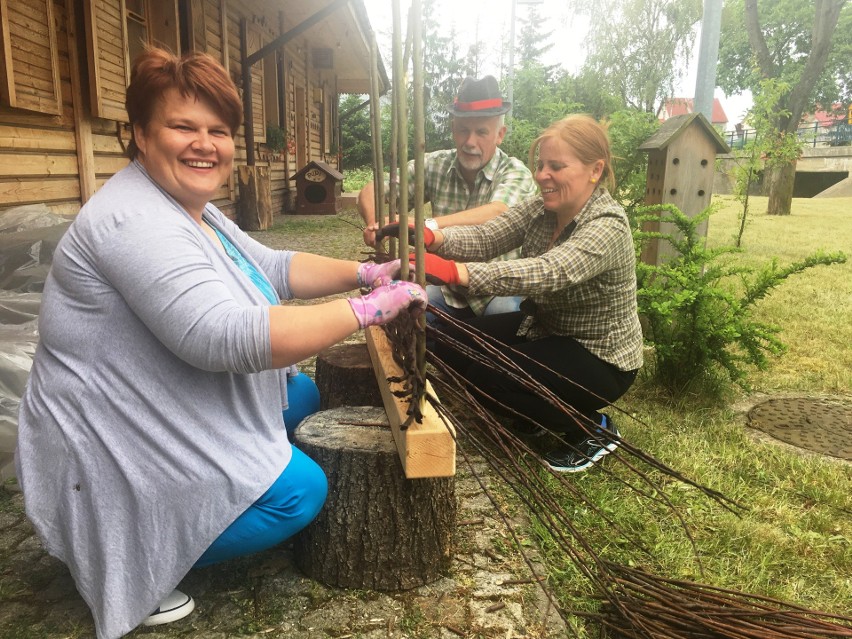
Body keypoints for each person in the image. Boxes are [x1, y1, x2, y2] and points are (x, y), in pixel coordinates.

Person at [14, 48, 425, 639]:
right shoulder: (134, 220)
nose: (204, 143)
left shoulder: (191, 207)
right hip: (111, 429)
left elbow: (274, 265)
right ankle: (124, 553)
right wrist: (363, 312)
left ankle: (220, 484)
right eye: (183, 126)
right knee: (300, 496)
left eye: (218, 131)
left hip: (151, 392)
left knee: (299, 395)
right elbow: (222, 337)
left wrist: (363, 274)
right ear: (140, 134)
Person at [385, 114, 643, 474]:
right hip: (545, 327)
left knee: (494, 379)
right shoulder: (542, 207)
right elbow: (490, 236)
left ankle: (593, 429)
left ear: (595, 170)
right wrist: (433, 237)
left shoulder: (607, 226)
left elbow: (549, 271)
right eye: (540, 165)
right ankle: (534, 410)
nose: (541, 175)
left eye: (556, 166)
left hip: (598, 354)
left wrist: (457, 272)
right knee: (449, 344)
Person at [358, 75, 538, 319]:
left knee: (504, 317)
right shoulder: (433, 165)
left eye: (481, 132)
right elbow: (373, 190)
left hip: (498, 290)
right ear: (453, 128)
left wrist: (427, 227)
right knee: (404, 309)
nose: (470, 142)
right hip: (447, 288)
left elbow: (498, 212)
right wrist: (373, 224)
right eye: (463, 130)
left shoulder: (515, 172)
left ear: (500, 134)